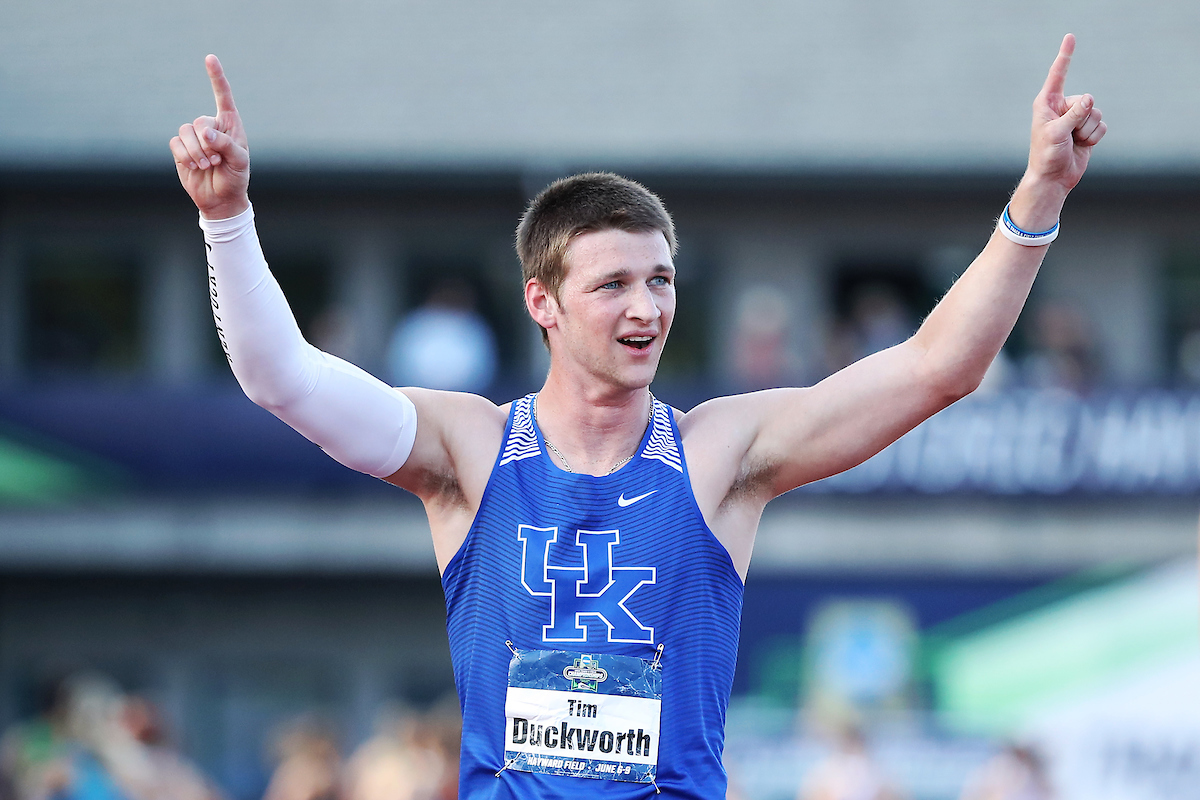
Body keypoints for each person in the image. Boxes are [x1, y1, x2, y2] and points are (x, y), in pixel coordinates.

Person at [169, 34, 1105, 800]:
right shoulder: (469, 449)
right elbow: (281, 377)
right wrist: (227, 219)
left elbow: (937, 369)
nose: (646, 309)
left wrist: (1039, 198)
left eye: (660, 280)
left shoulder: (719, 454)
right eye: (612, 284)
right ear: (543, 302)